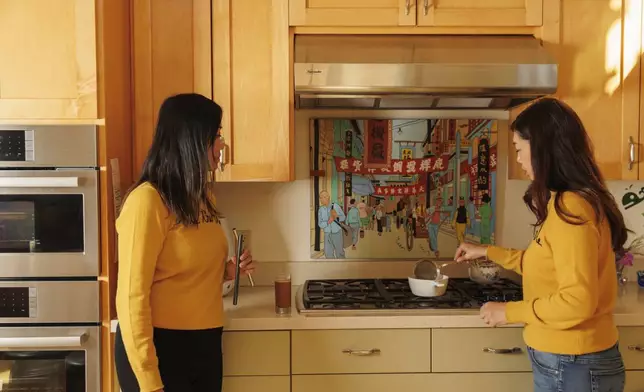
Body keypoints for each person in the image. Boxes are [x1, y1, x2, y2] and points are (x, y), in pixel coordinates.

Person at [454, 98, 627, 392]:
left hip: (572, 362)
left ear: (543, 148)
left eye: (520, 149)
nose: (518, 159)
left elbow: (577, 301)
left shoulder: (570, 207)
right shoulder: (575, 201)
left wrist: (508, 312)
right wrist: (486, 251)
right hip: (574, 361)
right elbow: (543, 263)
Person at [114, 93, 255, 392]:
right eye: (216, 136)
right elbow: (131, 297)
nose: (222, 145)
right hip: (161, 349)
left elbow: (183, 274)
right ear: (191, 139)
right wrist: (149, 380)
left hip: (205, 343)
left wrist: (229, 272)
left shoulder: (203, 198)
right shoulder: (147, 201)